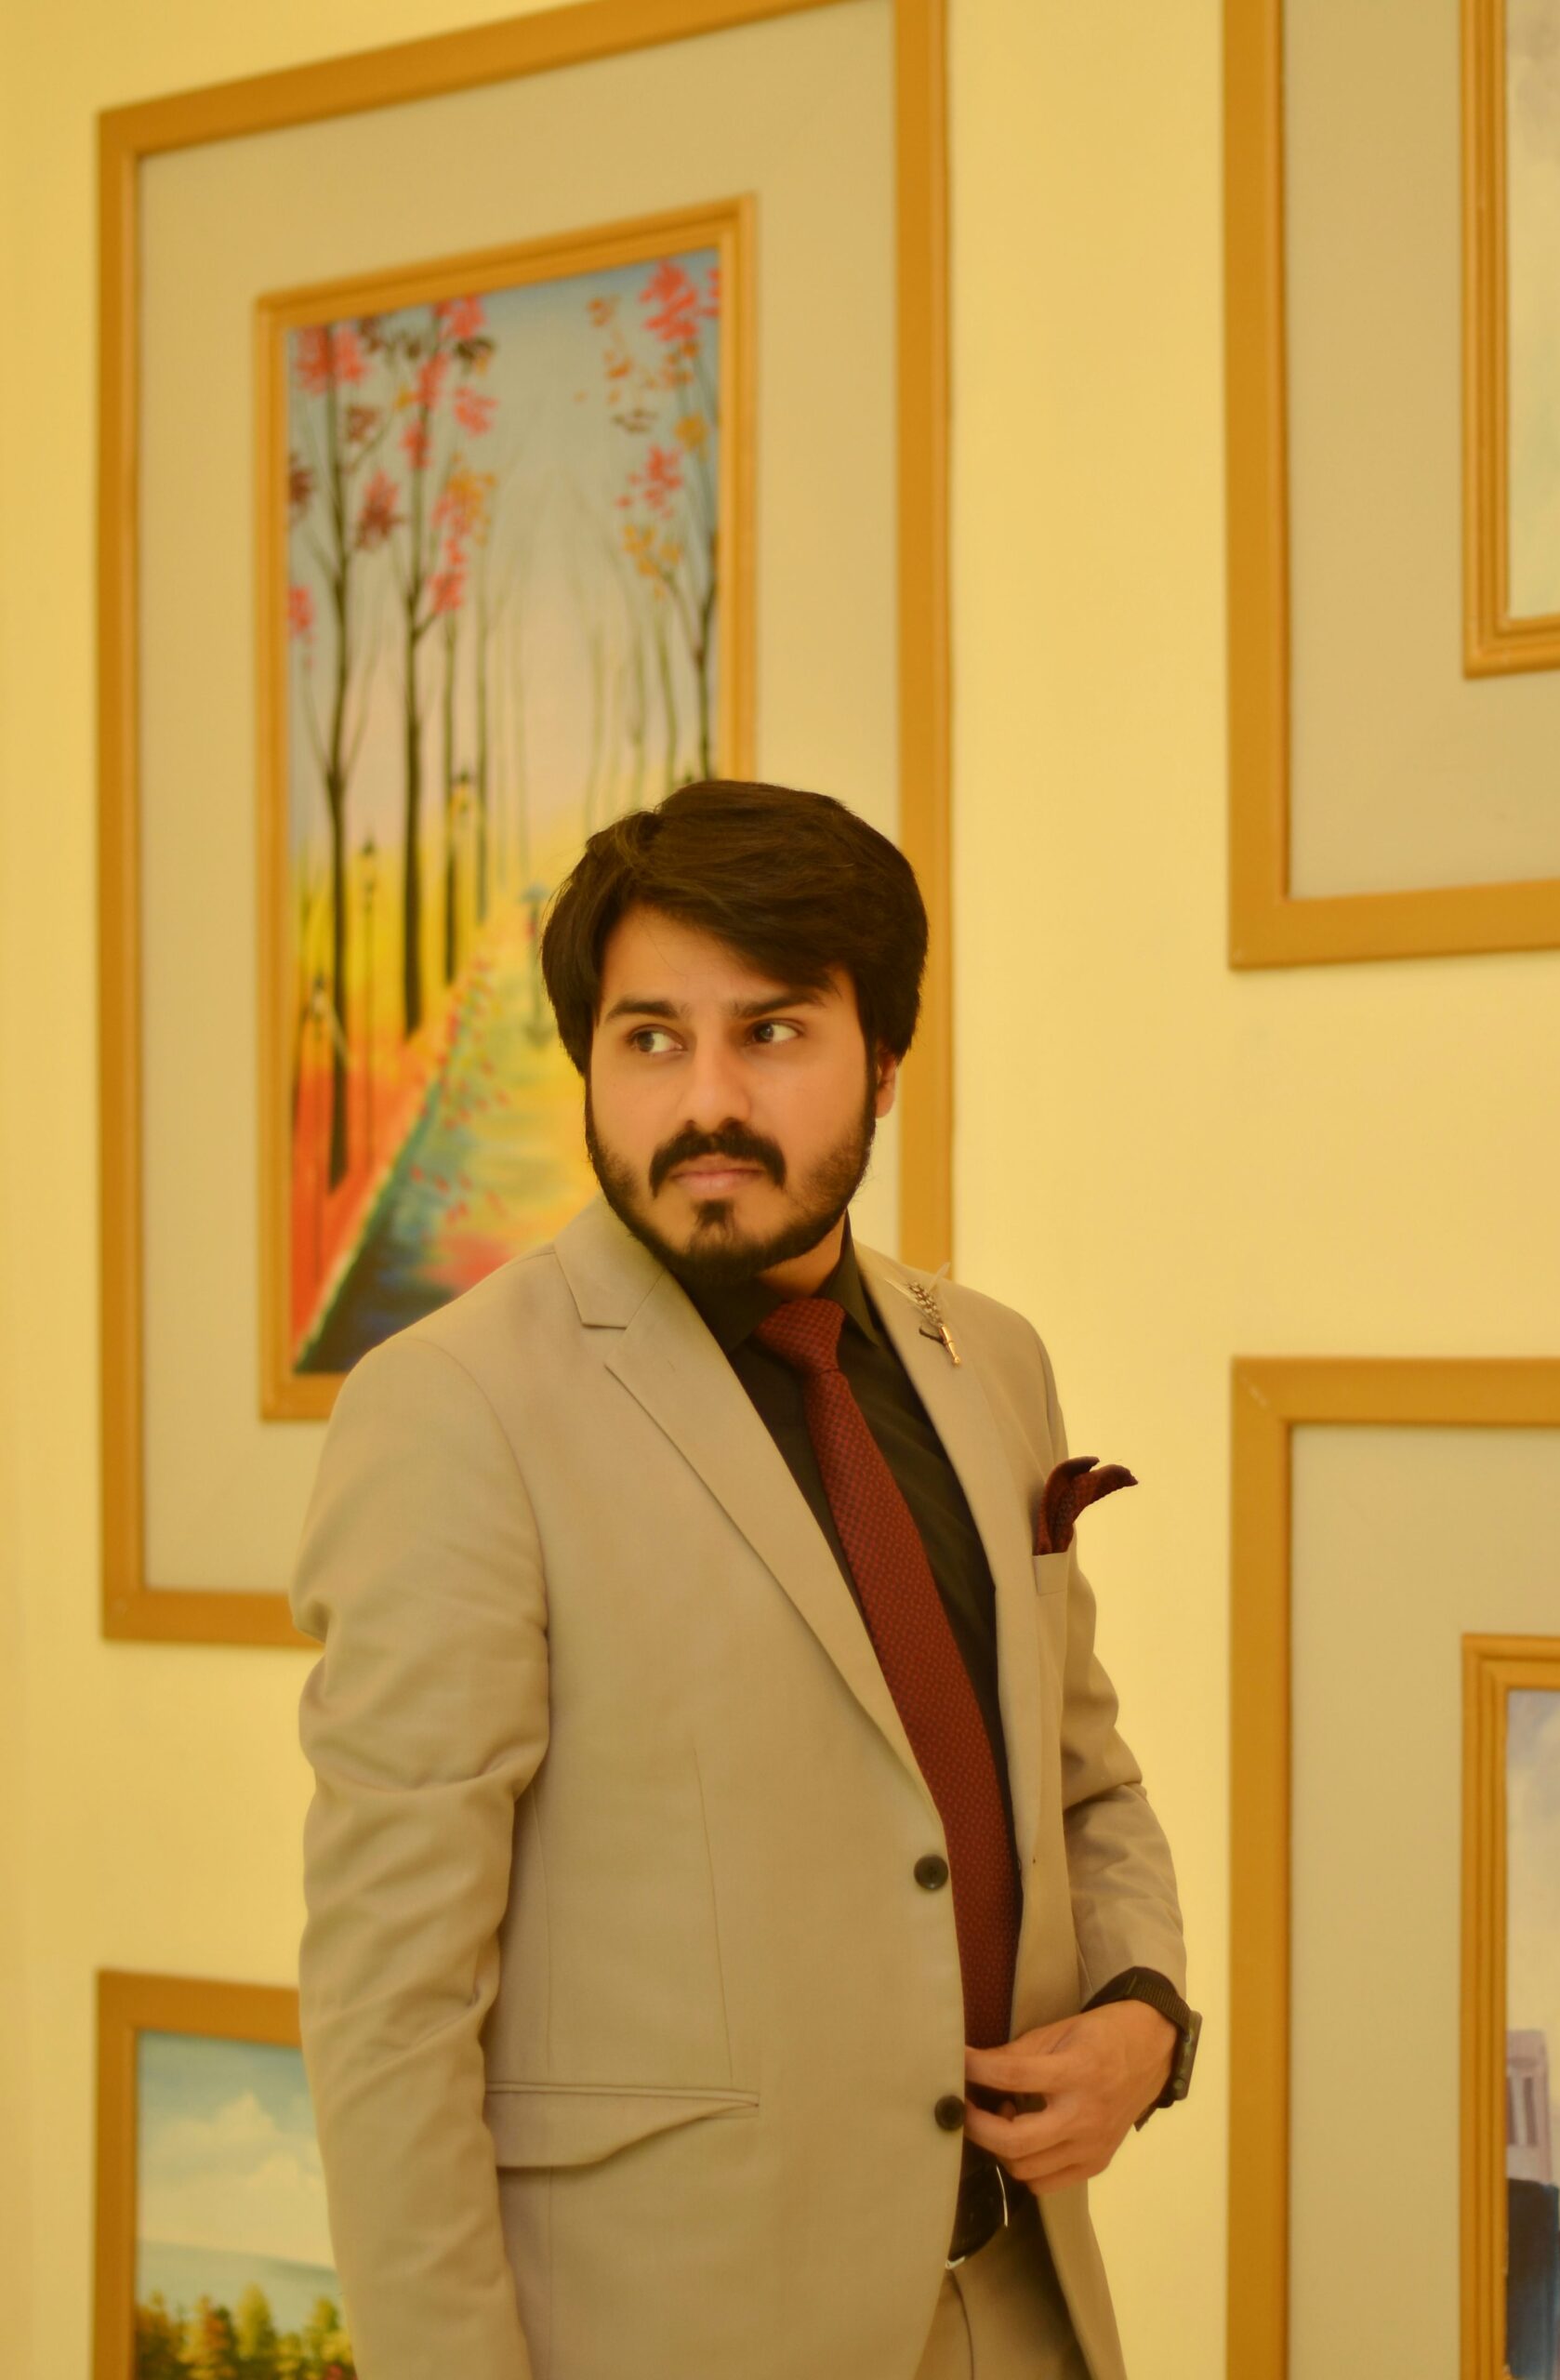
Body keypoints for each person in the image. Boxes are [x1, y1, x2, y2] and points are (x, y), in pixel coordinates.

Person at [290, 779, 1197, 2380]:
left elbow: (1085, 1781)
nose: (705, 1099)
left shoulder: (992, 1361)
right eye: (650, 1038)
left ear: (885, 1061)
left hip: (1024, 2310)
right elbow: (392, 2014)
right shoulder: (455, 1409)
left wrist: (1145, 2014)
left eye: (771, 1032)